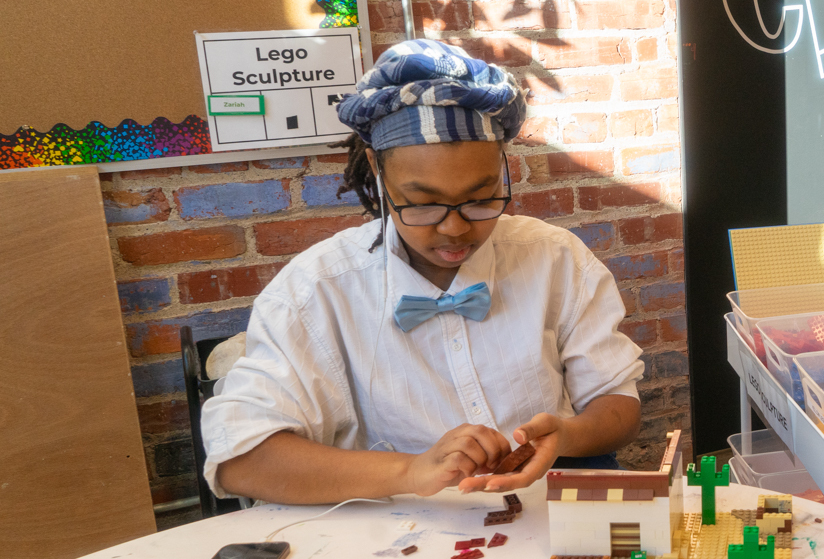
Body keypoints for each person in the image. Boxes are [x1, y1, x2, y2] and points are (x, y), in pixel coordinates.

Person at [201, 40, 644, 505]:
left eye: (480, 197)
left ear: (502, 169)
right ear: (376, 169)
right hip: (395, 545)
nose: (454, 229)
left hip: (543, 518)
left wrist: (568, 435)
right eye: (424, 203)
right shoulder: (317, 290)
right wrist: (410, 470)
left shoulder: (556, 259)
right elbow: (239, 460)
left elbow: (618, 404)